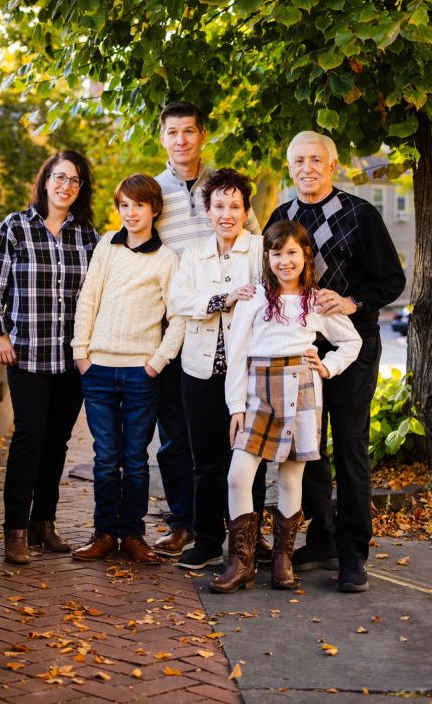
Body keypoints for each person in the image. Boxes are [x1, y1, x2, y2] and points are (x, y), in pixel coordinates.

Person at [262, 131, 406, 592]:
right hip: (300, 348)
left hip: (352, 346)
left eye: (316, 159)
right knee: (308, 448)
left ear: (333, 163)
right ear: (290, 167)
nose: (307, 167)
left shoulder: (361, 215)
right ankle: (320, 538)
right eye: (299, 160)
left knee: (348, 446)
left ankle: (352, 553)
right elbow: (270, 275)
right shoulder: (282, 216)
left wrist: (353, 302)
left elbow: (392, 280)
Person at [210, 220, 362, 594]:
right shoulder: (255, 299)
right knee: (238, 476)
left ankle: (283, 560)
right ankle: (241, 561)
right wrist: (236, 407)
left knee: (291, 478)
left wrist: (327, 367)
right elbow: (237, 354)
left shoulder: (317, 301)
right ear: (268, 257)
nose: (284, 261)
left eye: (292, 252)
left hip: (301, 388)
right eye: (276, 253)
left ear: (305, 255)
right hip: (258, 393)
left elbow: (351, 341)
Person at [0, 151, 99, 565]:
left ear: (81, 189)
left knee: (57, 441)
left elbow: (99, 293)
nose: (66, 186)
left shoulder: (87, 236)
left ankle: (42, 523)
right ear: (45, 180)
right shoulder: (14, 228)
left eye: (75, 180)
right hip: (27, 354)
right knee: (29, 436)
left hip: (71, 357)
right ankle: (14, 530)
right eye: (59, 177)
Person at [152, 102, 261, 558]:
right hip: (182, 330)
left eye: (189, 132)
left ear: (201, 136)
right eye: (173, 132)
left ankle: (240, 532)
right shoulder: (154, 192)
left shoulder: (227, 187)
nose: (181, 140)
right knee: (182, 436)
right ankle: (187, 524)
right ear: (163, 138)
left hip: (241, 342)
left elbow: (261, 261)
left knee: (241, 442)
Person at [71, 174, 185, 565]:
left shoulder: (167, 259)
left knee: (135, 459)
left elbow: (179, 318)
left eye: (138, 205)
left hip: (141, 373)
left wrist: (156, 363)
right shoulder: (107, 245)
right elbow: (88, 299)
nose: (130, 213)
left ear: (154, 209)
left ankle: (133, 536)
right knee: (106, 458)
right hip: (99, 369)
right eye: (124, 205)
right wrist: (81, 354)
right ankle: (104, 534)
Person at [169, 168, 263, 570]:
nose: (227, 214)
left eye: (235, 206)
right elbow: (179, 301)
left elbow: (268, 299)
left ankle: (248, 543)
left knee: (248, 460)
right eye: (219, 206)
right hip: (200, 372)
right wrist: (223, 298)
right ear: (207, 210)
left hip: (248, 374)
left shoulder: (260, 251)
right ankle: (207, 540)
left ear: (245, 211)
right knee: (205, 459)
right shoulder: (193, 254)